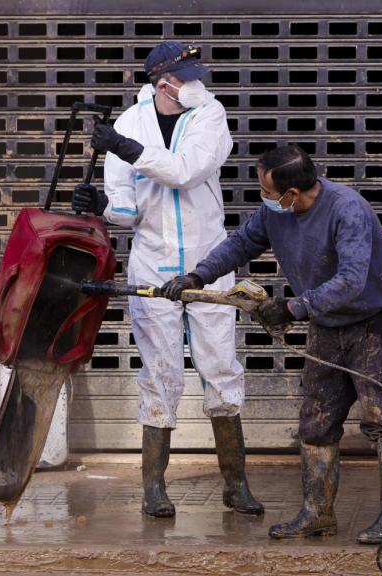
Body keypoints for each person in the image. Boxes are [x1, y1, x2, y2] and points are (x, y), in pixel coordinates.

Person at [163, 145, 382, 544]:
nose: (263, 198)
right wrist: (198, 276)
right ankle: (317, 514)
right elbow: (240, 244)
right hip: (326, 328)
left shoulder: (348, 210)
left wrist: (294, 308)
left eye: (267, 190)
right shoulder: (273, 213)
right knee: (315, 424)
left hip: (371, 325)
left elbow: (350, 280)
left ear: (292, 193)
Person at [72, 40, 262, 518]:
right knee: (160, 374)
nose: (197, 84)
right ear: (164, 83)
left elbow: (185, 173)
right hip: (152, 264)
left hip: (209, 262)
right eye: (187, 76)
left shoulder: (210, 116)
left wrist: (129, 150)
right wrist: (102, 208)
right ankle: (153, 488)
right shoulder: (128, 125)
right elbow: (127, 209)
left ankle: (234, 484)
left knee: (220, 368)